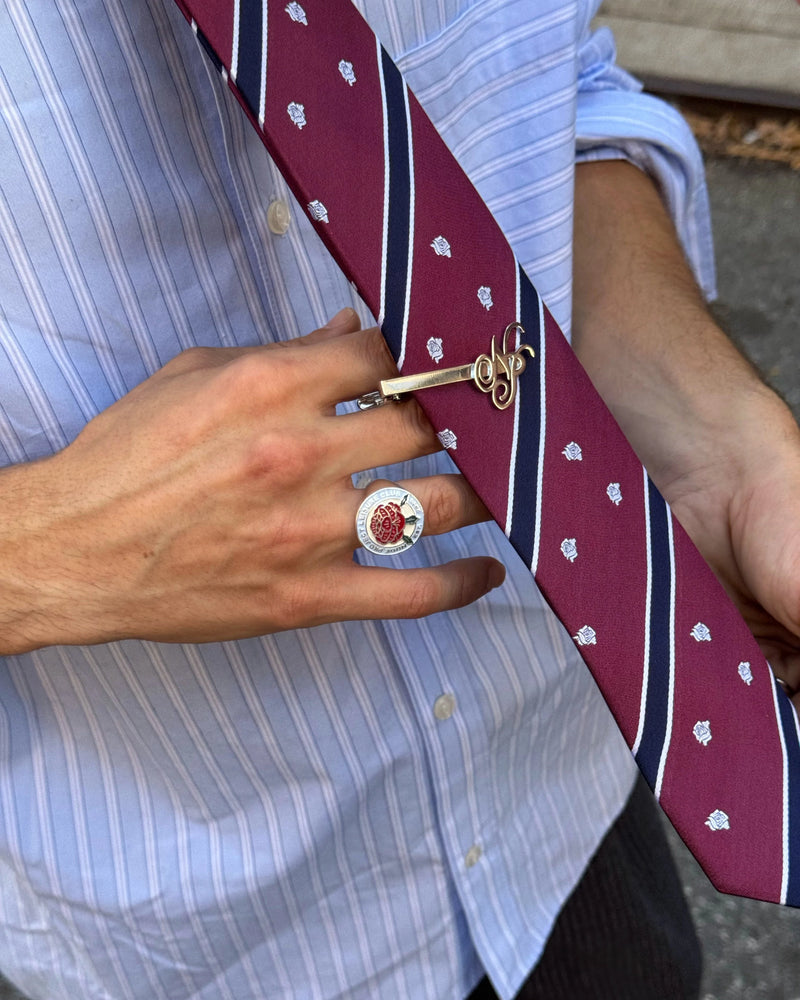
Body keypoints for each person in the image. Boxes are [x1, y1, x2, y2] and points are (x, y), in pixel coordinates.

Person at [0, 0, 798, 998]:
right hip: (176, 925)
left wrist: (706, 431)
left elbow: (552, 105)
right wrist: (39, 552)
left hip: (564, 787)